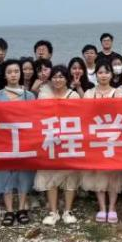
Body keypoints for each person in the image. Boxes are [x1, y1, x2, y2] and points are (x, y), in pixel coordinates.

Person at [0, 60, 37, 225]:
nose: (13, 75)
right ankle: (9, 210)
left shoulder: (29, 96)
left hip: (24, 140)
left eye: (16, 71)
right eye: (9, 72)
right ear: (5, 75)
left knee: (24, 173)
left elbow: (34, 118)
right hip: (4, 140)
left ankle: (22, 208)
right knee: (4, 173)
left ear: (20, 73)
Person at [81, 62, 122, 223]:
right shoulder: (89, 93)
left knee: (114, 173)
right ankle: (102, 207)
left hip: (114, 137)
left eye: (106, 72)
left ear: (111, 75)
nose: (103, 75)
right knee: (98, 173)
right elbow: (84, 113)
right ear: (96, 75)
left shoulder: (118, 92)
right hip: (95, 137)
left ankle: (112, 207)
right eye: (100, 72)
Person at [35, 66, 81, 226]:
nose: (58, 80)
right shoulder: (44, 94)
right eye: (55, 77)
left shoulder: (74, 96)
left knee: (70, 176)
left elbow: (79, 116)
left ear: (67, 79)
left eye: (61, 76)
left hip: (69, 139)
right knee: (50, 175)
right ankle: (53, 211)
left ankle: (68, 210)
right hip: (49, 138)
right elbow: (38, 114)